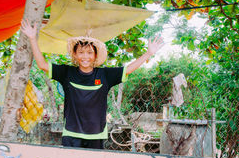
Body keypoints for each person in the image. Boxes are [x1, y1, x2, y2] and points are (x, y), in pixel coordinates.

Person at [21, 19, 163, 149]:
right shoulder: (66, 72)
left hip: (96, 135)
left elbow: (128, 69)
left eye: (89, 52)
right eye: (81, 52)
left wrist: (149, 53)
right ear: (75, 55)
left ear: (95, 55)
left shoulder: (104, 75)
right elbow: (42, 64)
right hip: (71, 134)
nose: (85, 57)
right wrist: (32, 38)